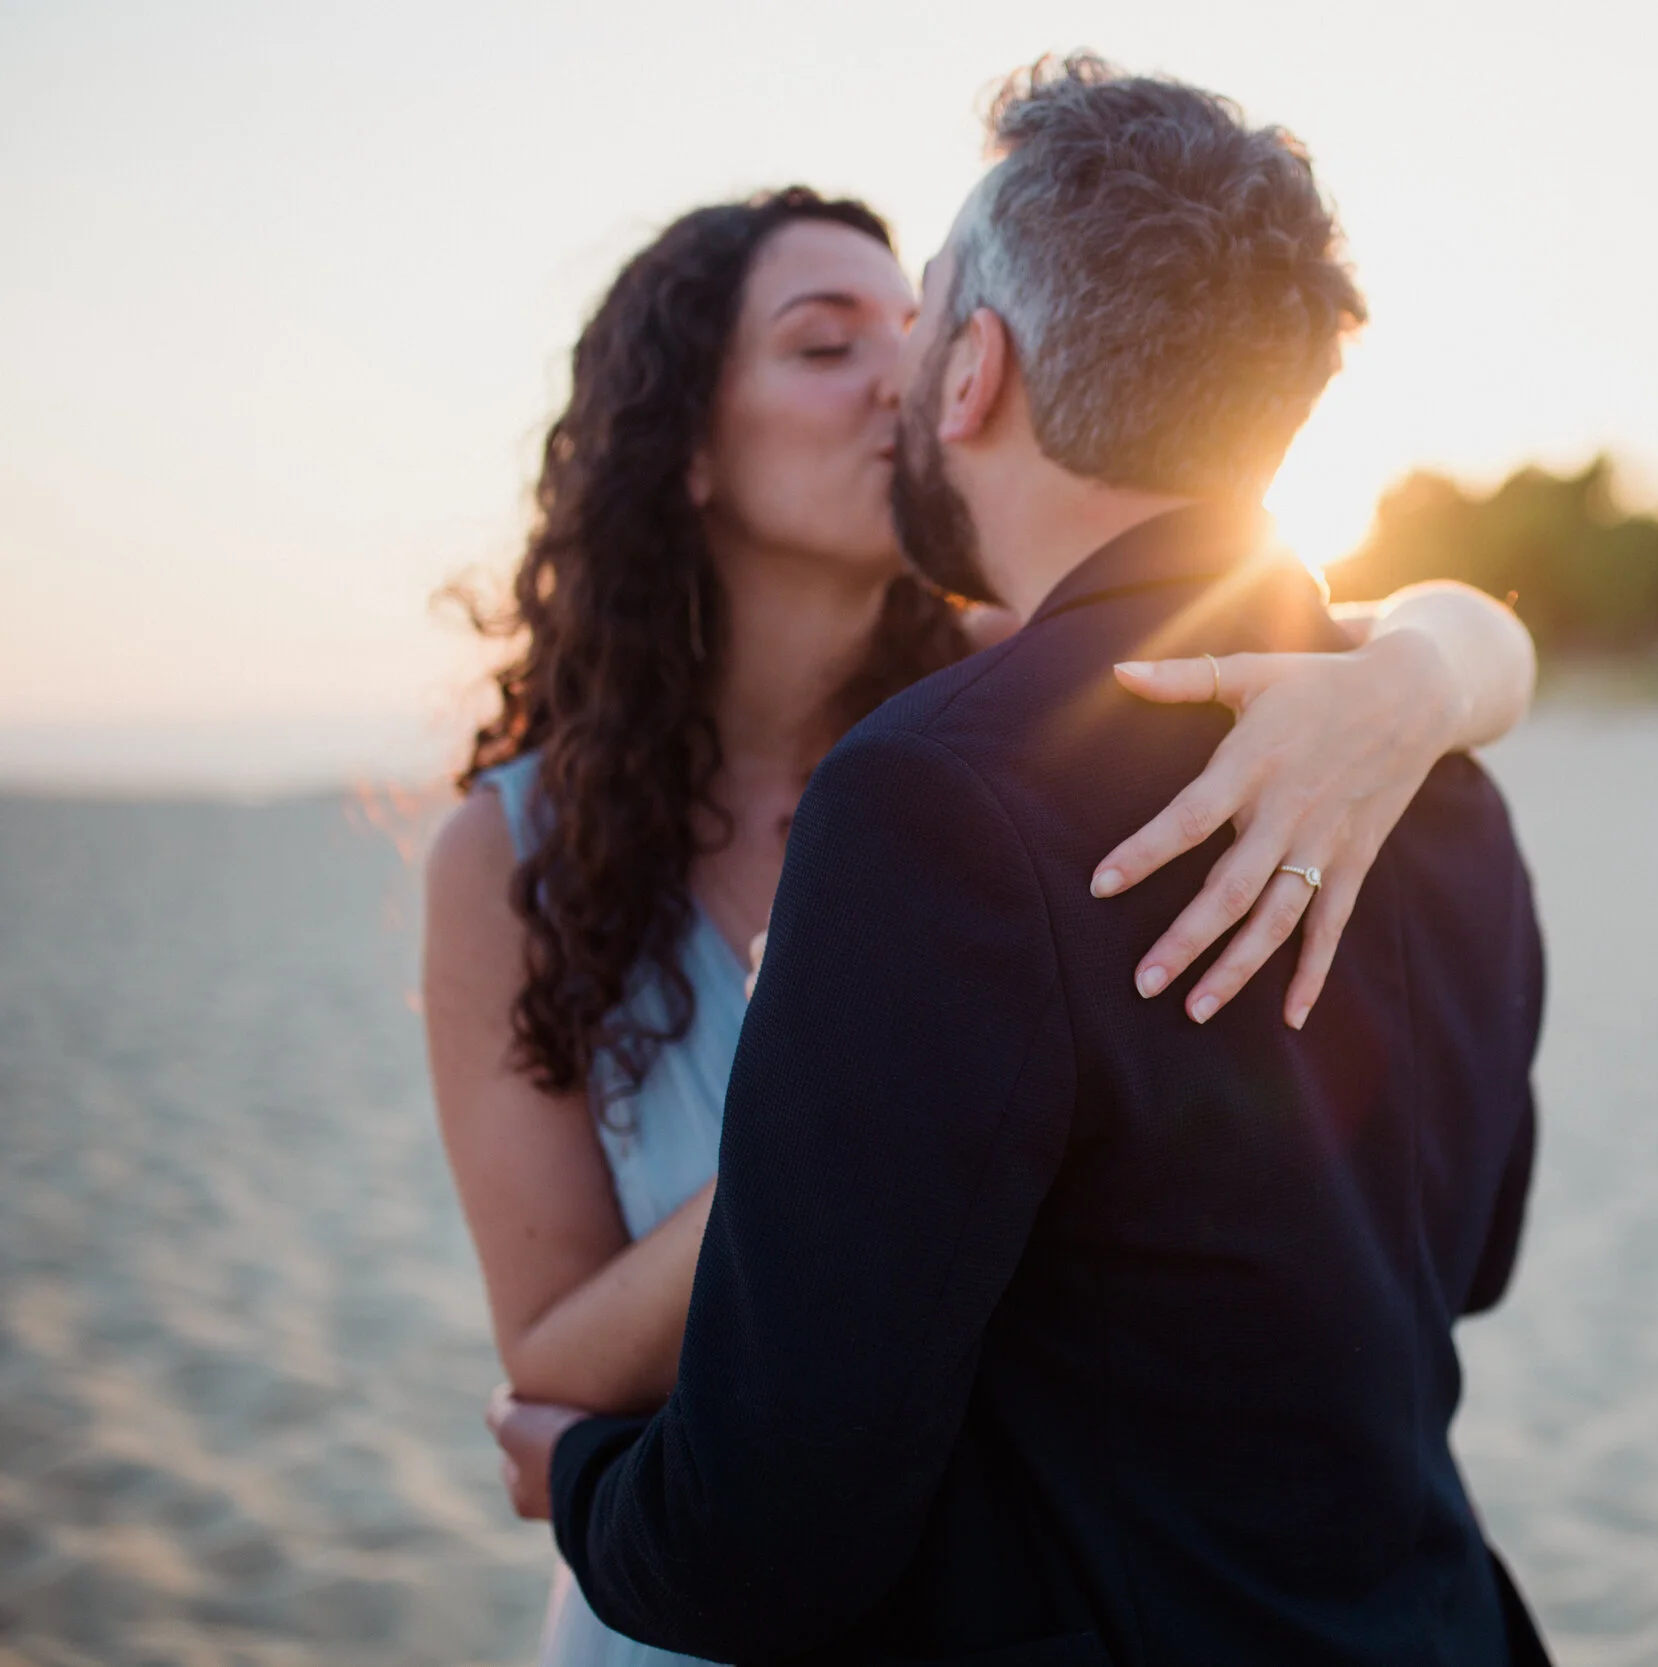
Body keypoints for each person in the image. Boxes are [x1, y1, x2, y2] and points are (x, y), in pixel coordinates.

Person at [490, 56, 1549, 1666]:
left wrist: (579, 1472)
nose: (899, 380)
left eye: (916, 329)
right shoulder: (1434, 775)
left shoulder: (933, 797)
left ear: (973, 371)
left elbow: (766, 1541)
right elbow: (1468, 1258)